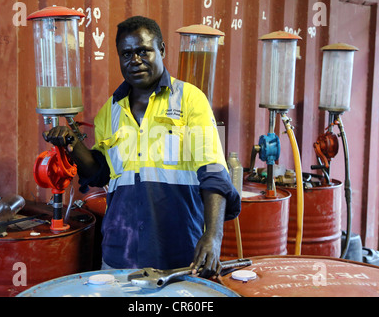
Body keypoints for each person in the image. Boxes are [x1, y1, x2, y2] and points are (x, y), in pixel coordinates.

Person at [43, 16, 240, 277]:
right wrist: (72, 142)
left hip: (179, 255)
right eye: (126, 54)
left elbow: (214, 172)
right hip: (119, 255)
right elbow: (100, 172)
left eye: (143, 51)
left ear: (162, 50)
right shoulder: (110, 111)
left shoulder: (191, 100)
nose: (134, 60)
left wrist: (213, 236)